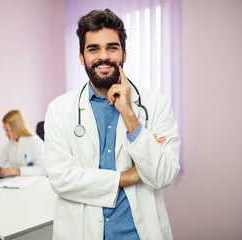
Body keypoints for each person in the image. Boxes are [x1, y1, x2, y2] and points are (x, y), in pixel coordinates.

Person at [44, 9, 180, 240]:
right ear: (81, 57)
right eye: (93, 49)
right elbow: (61, 179)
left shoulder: (156, 104)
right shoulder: (59, 109)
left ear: (124, 54)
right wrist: (131, 175)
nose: (103, 56)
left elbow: (163, 175)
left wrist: (129, 115)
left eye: (112, 47)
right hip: (81, 232)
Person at [0, 110, 46, 177]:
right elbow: (1, 159)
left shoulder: (35, 142)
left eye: (9, 130)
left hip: (33, 182)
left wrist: (17, 171)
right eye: (5, 130)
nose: (6, 134)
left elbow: (44, 169)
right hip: (16, 181)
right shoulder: (11, 143)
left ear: (18, 127)